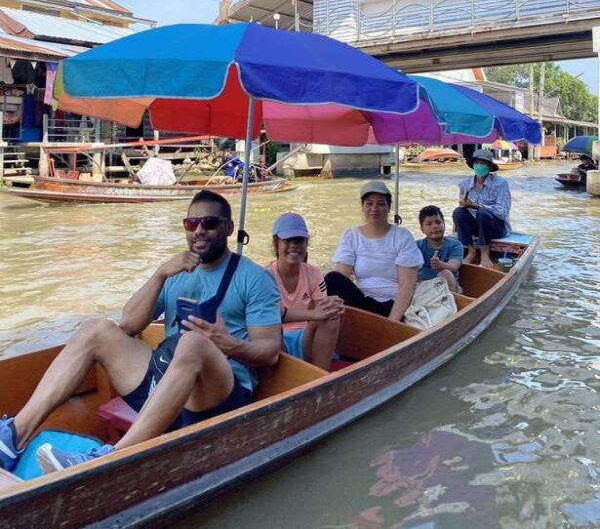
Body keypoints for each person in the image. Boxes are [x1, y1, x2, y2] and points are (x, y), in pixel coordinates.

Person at [0, 190, 281, 474]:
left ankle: (109, 459)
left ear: (228, 228)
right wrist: (160, 274)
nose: (198, 230)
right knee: (97, 330)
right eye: (191, 223)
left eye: (209, 223)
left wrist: (228, 343)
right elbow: (130, 324)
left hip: (218, 396)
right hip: (164, 384)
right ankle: (14, 437)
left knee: (193, 343)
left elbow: (269, 353)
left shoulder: (255, 278)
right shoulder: (177, 272)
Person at [325, 181, 424, 321]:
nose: (374, 209)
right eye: (369, 204)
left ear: (389, 207)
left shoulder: (402, 236)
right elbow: (341, 276)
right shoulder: (351, 235)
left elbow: (406, 286)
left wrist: (392, 323)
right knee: (331, 279)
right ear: (363, 207)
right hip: (361, 301)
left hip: (392, 304)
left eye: (381, 204)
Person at [267, 213, 344, 371]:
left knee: (332, 316)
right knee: (270, 324)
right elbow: (270, 316)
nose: (294, 245)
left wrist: (333, 304)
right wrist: (314, 314)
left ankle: (320, 376)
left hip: (306, 337)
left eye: (299, 240)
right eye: (288, 240)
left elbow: (322, 310)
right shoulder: (264, 276)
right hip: (277, 339)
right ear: (276, 244)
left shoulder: (314, 273)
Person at [453, 149, 511, 269]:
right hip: (475, 227)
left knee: (482, 213)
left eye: (483, 163)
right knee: (458, 212)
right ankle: (471, 251)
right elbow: (462, 205)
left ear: (489, 167)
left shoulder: (500, 183)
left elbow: (503, 212)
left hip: (496, 227)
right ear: (473, 165)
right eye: (477, 163)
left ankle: (485, 253)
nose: (479, 166)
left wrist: (477, 206)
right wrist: (456, 225)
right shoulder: (465, 183)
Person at [416, 205, 464, 293]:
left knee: (446, 273)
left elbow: (454, 266)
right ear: (422, 229)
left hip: (449, 288)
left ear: (444, 225)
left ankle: (450, 304)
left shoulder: (455, 245)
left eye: (438, 222)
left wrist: (441, 265)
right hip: (424, 286)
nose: (435, 226)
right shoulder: (417, 246)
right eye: (429, 224)